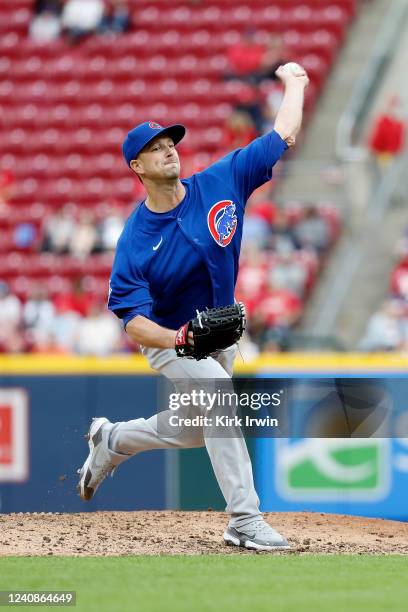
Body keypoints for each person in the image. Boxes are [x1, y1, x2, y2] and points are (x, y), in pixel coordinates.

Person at [77, 63, 309, 551]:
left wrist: (296, 84)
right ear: (136, 168)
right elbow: (134, 323)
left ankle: (113, 440)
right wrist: (178, 340)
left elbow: (283, 134)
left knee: (191, 432)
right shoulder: (135, 241)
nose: (167, 150)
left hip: (219, 336)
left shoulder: (220, 182)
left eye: (170, 143)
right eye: (154, 149)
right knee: (221, 395)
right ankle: (244, 520)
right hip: (170, 339)